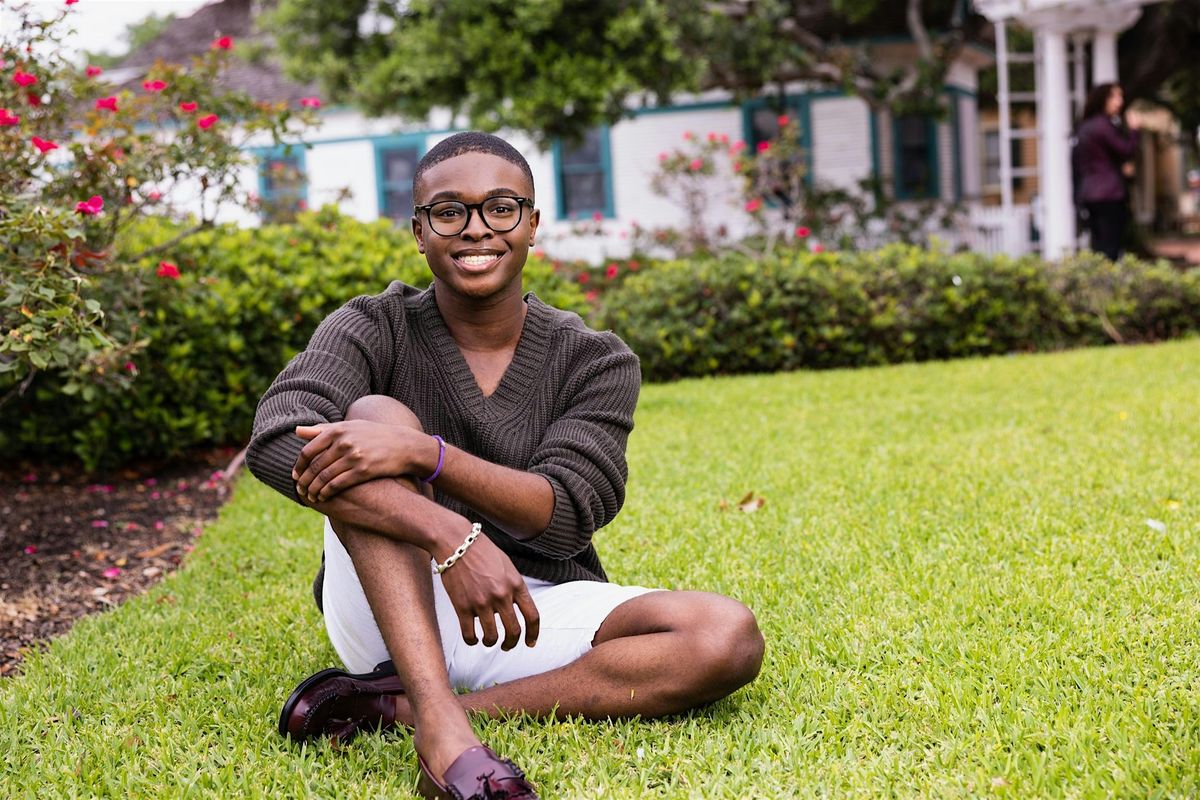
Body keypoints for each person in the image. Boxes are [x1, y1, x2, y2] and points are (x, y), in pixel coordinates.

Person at [246, 131, 765, 800]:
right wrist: (448, 535)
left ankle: (398, 707)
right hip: (388, 597)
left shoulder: (595, 359)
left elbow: (568, 512)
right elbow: (277, 439)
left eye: (500, 207)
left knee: (724, 635)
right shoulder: (373, 325)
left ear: (532, 223)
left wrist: (429, 456)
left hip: (523, 606)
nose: (476, 229)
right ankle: (442, 732)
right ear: (419, 231)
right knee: (376, 416)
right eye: (449, 211)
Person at [1074, 82, 1140, 261]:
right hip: (1109, 195)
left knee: (1099, 246)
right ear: (1102, 99)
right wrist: (1134, 131)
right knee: (1111, 247)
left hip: (1090, 195)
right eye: (1114, 96)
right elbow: (1126, 150)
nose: (1120, 101)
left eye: (1121, 96)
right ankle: (1108, 279)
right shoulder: (1104, 126)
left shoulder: (1084, 127)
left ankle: (1100, 277)